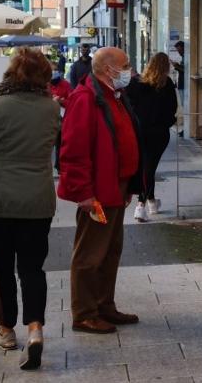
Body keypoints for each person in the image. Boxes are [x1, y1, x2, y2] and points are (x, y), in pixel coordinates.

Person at [0, 48, 59, 369]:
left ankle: (6, 330)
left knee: (2, 269)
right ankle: (35, 329)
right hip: (38, 201)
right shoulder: (51, 109)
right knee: (32, 269)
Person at [57, 46, 143, 334]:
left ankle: (104, 304)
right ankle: (84, 313)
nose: (130, 69)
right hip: (97, 191)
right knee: (90, 252)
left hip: (115, 187)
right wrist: (84, 193)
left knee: (110, 250)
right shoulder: (85, 99)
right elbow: (73, 151)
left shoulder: (112, 97)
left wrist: (129, 183)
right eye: (126, 64)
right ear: (109, 70)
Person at [126, 52, 178, 222]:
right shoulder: (167, 84)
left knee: (146, 167)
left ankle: (151, 202)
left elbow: (128, 104)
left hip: (139, 131)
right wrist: (168, 122)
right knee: (149, 167)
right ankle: (141, 204)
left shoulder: (137, 82)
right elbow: (172, 109)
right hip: (159, 133)